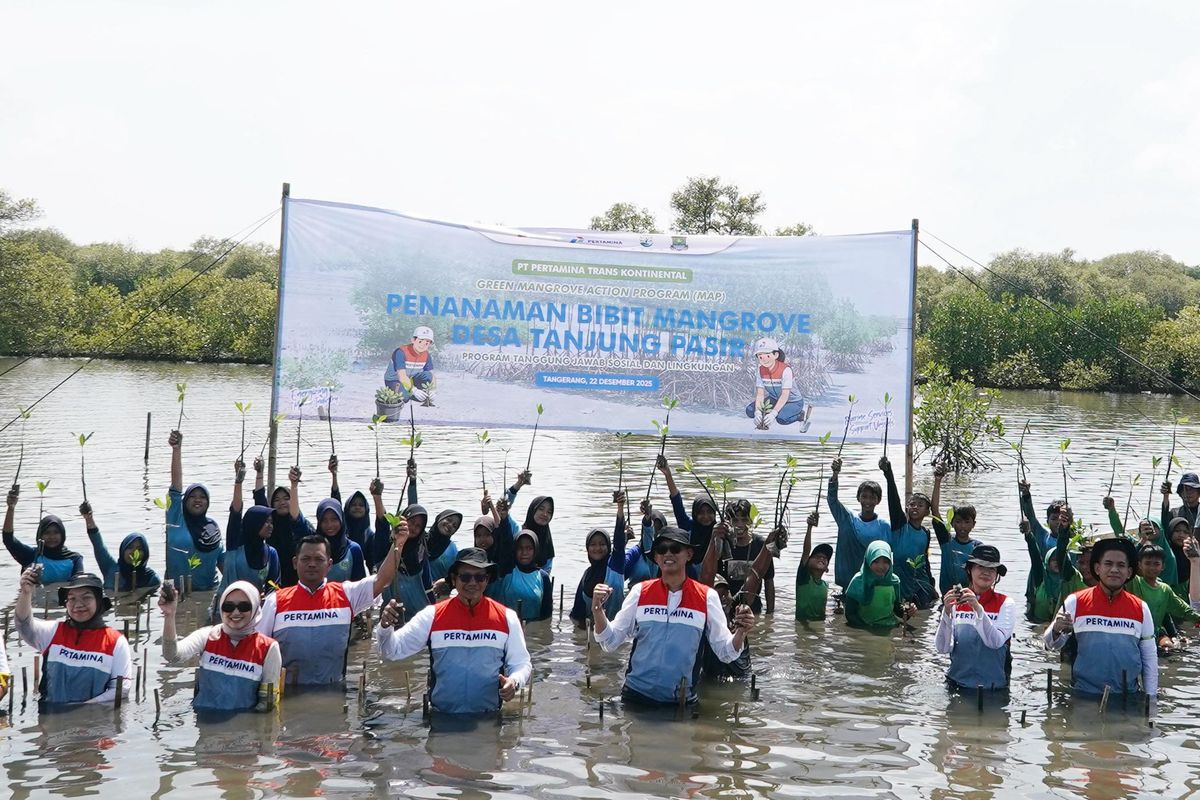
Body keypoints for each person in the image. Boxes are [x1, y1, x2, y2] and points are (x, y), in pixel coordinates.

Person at [591, 526, 755, 706]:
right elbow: (609, 642)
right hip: (636, 696)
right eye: (662, 550)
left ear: (689, 554)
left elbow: (726, 652)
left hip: (679, 703)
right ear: (656, 557)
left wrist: (741, 632)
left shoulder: (707, 597)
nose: (668, 554)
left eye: (675, 549)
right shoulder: (640, 592)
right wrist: (598, 610)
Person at [377, 548, 531, 714]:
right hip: (442, 717)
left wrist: (514, 681)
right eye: (465, 577)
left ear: (487, 580)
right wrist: (385, 627)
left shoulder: (507, 617)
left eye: (480, 577)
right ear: (454, 579)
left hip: (488, 717)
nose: (472, 583)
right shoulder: (432, 615)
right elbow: (391, 651)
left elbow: (522, 663)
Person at [256, 520, 408, 686]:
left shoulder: (346, 594)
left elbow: (382, 580)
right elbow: (258, 650)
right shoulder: (275, 602)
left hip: (334, 691)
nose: (312, 564)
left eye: (318, 559)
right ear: (294, 563)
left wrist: (398, 544)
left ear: (329, 564)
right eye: (305, 559)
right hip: (288, 693)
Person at [1044, 537, 1157, 697]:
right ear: (1097, 568)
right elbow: (1050, 644)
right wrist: (1056, 630)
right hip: (1084, 695)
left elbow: (1150, 659)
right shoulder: (1075, 602)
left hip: (1126, 697)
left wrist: (1151, 699)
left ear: (1129, 572)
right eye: (1108, 564)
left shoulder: (1141, 608)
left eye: (1121, 565)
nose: (1114, 570)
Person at [161, 579, 281, 713]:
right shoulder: (206, 636)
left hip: (242, 723)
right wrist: (169, 615)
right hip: (204, 720)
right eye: (228, 607)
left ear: (255, 608)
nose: (235, 612)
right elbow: (172, 656)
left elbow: (266, 704)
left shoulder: (269, 648)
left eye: (244, 607)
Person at [14, 569, 131, 704]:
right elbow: (23, 625)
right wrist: (26, 593)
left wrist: (79, 710)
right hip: (49, 713)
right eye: (72, 598)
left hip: (92, 715)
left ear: (100, 601)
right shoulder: (53, 632)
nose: (78, 605)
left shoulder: (116, 642)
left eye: (86, 597)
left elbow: (121, 690)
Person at [934, 545, 1015, 691]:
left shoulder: (1006, 603)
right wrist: (946, 613)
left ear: (997, 574)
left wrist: (977, 608)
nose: (986, 572)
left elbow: (995, 642)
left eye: (992, 569)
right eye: (980, 566)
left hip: (993, 690)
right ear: (969, 570)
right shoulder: (955, 603)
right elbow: (942, 648)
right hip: (957, 686)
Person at [166, 430, 223, 590]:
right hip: (176, 593)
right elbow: (176, 488)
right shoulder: (175, 519)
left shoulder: (213, 528)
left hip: (208, 593)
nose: (198, 500)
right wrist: (177, 450)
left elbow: (224, 565)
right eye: (192, 496)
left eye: (203, 497)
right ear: (185, 501)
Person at [879, 457, 936, 609]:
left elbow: (925, 559)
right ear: (906, 509)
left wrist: (931, 584)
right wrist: (889, 474)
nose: (915, 507)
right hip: (900, 581)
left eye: (920, 505)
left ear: (927, 512)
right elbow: (894, 502)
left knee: (924, 612)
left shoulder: (926, 533)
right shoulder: (900, 526)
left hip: (921, 583)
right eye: (912, 504)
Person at [826, 457, 891, 590]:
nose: (868, 501)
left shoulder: (883, 526)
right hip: (846, 582)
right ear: (858, 498)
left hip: (871, 583)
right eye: (864, 496)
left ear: (878, 501)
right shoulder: (846, 518)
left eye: (872, 497)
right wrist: (835, 474)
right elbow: (832, 500)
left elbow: (888, 556)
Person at [3, 486, 85, 582]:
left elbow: (80, 584)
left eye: (56, 532)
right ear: (40, 535)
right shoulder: (31, 555)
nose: (52, 537)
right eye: (47, 533)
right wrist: (11, 508)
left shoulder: (74, 559)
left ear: (62, 535)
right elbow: (8, 539)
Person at [1126, 543, 1200, 646]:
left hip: (1154, 635)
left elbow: (1185, 610)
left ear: (1163, 566)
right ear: (1139, 565)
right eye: (1147, 563)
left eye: (1156, 564)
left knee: (1168, 647)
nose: (1152, 567)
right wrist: (1141, 542)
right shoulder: (1133, 581)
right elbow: (1126, 562)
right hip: (1133, 633)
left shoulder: (1165, 589)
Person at [252, 455, 307, 587]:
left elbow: (295, 516)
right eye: (276, 500)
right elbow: (259, 499)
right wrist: (259, 473)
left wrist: (294, 485)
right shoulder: (270, 523)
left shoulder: (299, 523)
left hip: (298, 579)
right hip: (275, 578)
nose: (281, 502)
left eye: (286, 499)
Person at [655, 456, 718, 570]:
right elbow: (676, 501)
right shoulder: (688, 526)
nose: (705, 516)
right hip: (690, 573)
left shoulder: (718, 531)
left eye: (709, 512)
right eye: (701, 513)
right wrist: (668, 474)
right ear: (695, 514)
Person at [84, 500, 160, 593]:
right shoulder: (110, 568)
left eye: (139, 549)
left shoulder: (151, 579)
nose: (134, 552)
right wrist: (89, 519)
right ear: (122, 551)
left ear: (146, 553)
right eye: (130, 547)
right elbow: (98, 544)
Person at [1025, 505, 1085, 623]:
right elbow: (1035, 556)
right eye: (1053, 560)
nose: (1056, 562)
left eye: (1060, 518)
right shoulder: (1041, 578)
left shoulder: (1070, 578)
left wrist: (1065, 528)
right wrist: (1028, 535)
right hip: (1041, 621)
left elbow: (1062, 553)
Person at [930, 469, 982, 595]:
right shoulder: (946, 540)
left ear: (973, 524)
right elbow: (935, 511)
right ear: (952, 523)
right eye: (958, 522)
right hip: (947, 595)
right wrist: (938, 480)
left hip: (969, 595)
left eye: (967, 522)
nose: (962, 526)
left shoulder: (977, 547)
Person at [328, 454, 381, 569]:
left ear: (366, 510)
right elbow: (335, 500)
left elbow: (372, 560)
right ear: (347, 508)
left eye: (361, 505)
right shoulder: (341, 527)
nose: (357, 507)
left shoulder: (369, 535)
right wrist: (334, 475)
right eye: (353, 505)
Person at [744, 337, 810, 430]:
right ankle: (772, 413)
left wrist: (773, 414)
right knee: (750, 411)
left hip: (793, 401)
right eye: (760, 356)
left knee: (781, 419)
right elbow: (760, 394)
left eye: (767, 356)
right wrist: (757, 412)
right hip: (774, 399)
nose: (764, 359)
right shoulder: (760, 370)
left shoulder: (786, 370)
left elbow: (785, 395)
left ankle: (799, 415)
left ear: (775, 355)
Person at [489, 528, 553, 622]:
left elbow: (546, 615)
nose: (524, 553)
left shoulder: (543, 577)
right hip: (505, 623)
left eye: (529, 548)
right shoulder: (507, 571)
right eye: (520, 548)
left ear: (535, 550)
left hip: (532, 626)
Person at [845, 541, 907, 630]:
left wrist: (908, 611)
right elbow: (850, 614)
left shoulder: (894, 581)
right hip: (866, 628)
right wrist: (867, 630)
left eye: (886, 562)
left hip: (890, 626)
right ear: (868, 560)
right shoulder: (858, 581)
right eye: (876, 561)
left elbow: (898, 610)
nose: (881, 566)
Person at [794, 512, 832, 622]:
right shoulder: (804, 579)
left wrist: (833, 612)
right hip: (802, 623)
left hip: (820, 624)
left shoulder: (825, 585)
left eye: (825, 558)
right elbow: (806, 551)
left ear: (827, 569)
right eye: (817, 556)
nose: (821, 559)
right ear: (808, 562)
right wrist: (809, 527)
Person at [384, 324, 436, 404]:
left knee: (428, 375)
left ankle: (415, 393)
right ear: (413, 340)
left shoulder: (426, 355)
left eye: (427, 343)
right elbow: (401, 376)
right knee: (405, 398)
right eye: (420, 341)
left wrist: (433, 390)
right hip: (395, 380)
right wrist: (414, 390)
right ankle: (408, 394)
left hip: (411, 379)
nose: (422, 345)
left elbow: (432, 375)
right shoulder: (400, 352)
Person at [521, 495, 556, 573]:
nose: (545, 514)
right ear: (533, 510)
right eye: (541, 509)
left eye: (549, 512)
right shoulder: (519, 534)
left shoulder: (547, 540)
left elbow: (547, 569)